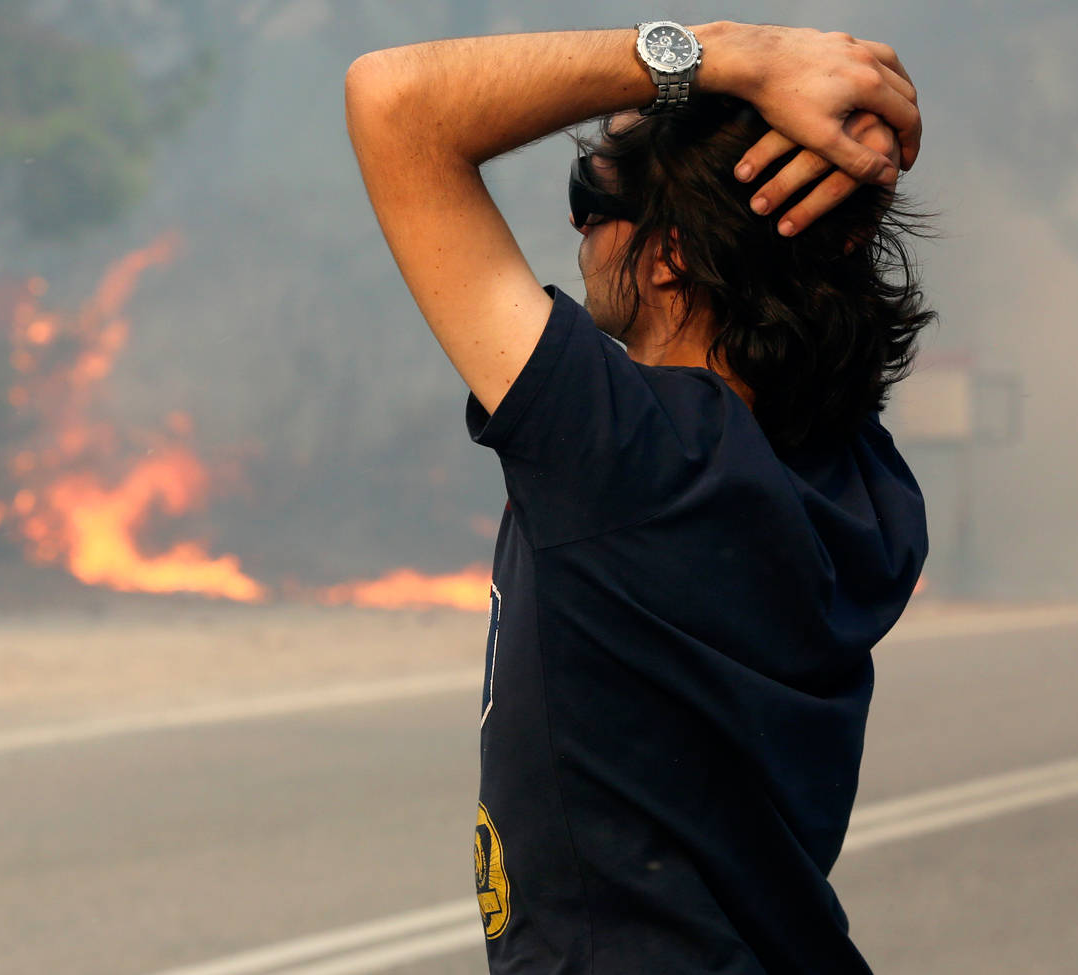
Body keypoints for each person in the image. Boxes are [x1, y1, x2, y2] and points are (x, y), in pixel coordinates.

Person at [346, 21, 934, 974]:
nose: (577, 228)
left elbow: (393, 99)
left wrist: (723, 54)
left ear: (666, 257)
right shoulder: (861, 482)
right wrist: (837, 165)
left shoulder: (623, 456)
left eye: (594, 199)